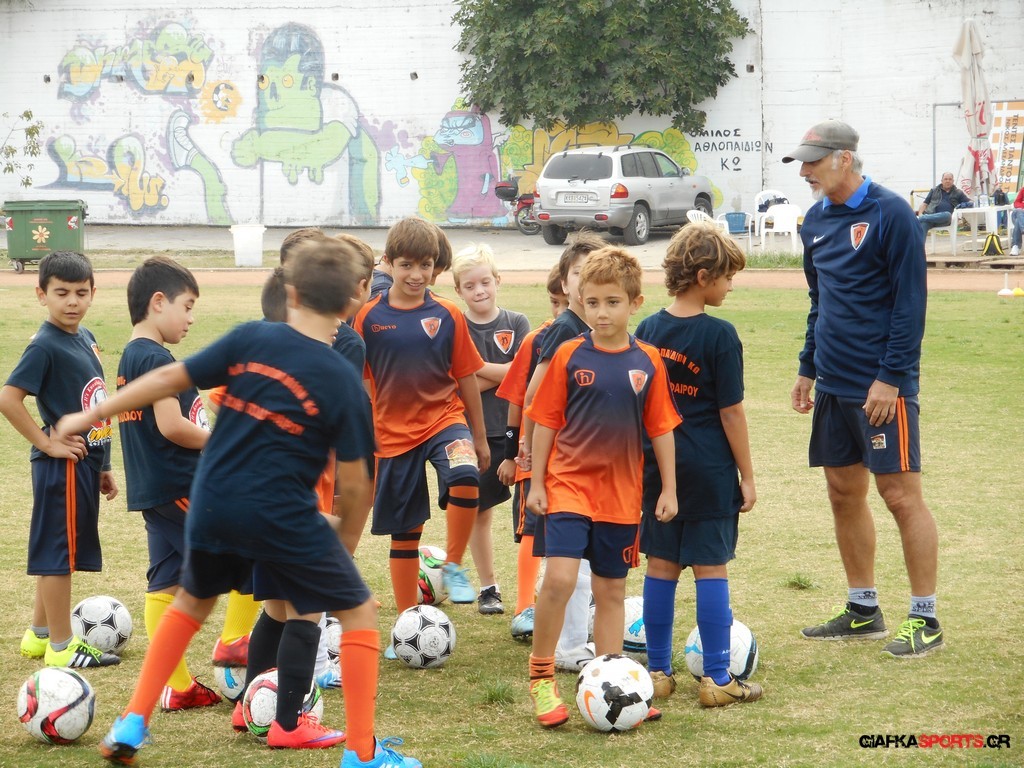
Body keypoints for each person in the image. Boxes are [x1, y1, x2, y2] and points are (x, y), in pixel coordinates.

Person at [58, 239, 420, 767]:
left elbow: (168, 377)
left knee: (191, 602)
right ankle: (362, 754)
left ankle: (133, 720)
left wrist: (94, 413)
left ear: (291, 294)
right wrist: (341, 546)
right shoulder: (342, 377)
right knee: (360, 611)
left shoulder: (252, 336)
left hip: (212, 500)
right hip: (280, 510)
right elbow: (358, 482)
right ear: (350, 303)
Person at [783, 119, 943, 658]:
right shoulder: (814, 220)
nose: (804, 172)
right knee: (842, 493)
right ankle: (863, 609)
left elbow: (910, 305)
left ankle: (925, 617)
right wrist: (808, 367)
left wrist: (890, 379)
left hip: (881, 388)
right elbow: (819, 301)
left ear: (844, 159)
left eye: (812, 162)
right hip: (832, 384)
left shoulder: (891, 213)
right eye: (802, 163)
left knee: (899, 496)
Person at [524, 245, 679, 728]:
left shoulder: (648, 361)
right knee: (561, 579)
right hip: (568, 486)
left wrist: (668, 489)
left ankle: (615, 685)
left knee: (611, 591)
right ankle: (542, 678)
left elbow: (661, 429)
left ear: (635, 304)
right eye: (592, 302)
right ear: (580, 301)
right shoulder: (569, 354)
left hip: (622, 496)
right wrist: (536, 482)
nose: (601, 312)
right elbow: (546, 421)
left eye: (612, 302)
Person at [634, 223, 762, 708]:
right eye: (728, 277)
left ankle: (658, 673)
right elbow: (731, 413)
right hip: (709, 471)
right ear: (704, 276)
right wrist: (748, 476)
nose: (731, 286)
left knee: (661, 565)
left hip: (657, 469)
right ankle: (717, 679)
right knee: (711, 568)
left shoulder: (648, 330)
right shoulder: (720, 335)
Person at [353, 217, 489, 641]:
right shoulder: (368, 316)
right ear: (388, 263)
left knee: (466, 474)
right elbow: (360, 380)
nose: (416, 275)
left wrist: (479, 436)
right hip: (392, 435)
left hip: (444, 419)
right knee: (404, 533)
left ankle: (453, 566)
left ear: (435, 266)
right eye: (407, 265)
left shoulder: (448, 313)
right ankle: (406, 624)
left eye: (425, 265)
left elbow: (466, 375)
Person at [0, 250, 121, 669]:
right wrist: (47, 442)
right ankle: (61, 646)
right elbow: (8, 398)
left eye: (81, 293)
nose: (72, 301)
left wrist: (104, 464)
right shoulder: (46, 345)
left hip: (85, 463)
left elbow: (94, 400)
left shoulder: (85, 336)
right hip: (61, 466)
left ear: (92, 293)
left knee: (59, 549)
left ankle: (39, 635)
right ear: (42, 294)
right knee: (58, 555)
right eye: (62, 292)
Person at [116, 256, 223, 710]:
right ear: (158, 302)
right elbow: (172, 426)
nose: (191, 318)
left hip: (153, 490)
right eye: (187, 306)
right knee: (242, 557)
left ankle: (178, 687)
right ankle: (242, 648)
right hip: (179, 486)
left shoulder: (130, 355)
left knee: (164, 583)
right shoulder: (155, 357)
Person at [522, 232, 605, 671]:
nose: (587, 280)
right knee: (575, 565)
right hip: (564, 464)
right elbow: (535, 394)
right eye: (578, 273)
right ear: (564, 281)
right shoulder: (566, 330)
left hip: (589, 462)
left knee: (578, 562)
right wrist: (527, 448)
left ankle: (571, 636)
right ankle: (570, 648)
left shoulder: (596, 331)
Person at [452, 243, 530, 615]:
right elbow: (455, 383)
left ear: (498, 280)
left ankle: (531, 594)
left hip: (516, 432)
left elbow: (524, 376)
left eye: (485, 282)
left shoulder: (517, 323)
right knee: (477, 511)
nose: (479, 290)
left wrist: (475, 371)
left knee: (531, 516)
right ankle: (489, 588)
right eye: (470, 285)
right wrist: (504, 375)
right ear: (458, 290)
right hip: (472, 433)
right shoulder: (457, 326)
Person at [495, 265, 568, 640]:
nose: (560, 312)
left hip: (573, 459)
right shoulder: (537, 340)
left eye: (565, 303)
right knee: (531, 530)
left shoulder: (596, 340)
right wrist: (510, 454)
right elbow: (516, 399)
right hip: (532, 457)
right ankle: (524, 607)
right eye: (554, 302)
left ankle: (569, 605)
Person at [915, 171, 969, 237]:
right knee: (923, 225)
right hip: (930, 218)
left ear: (953, 181)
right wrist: (920, 214)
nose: (948, 181)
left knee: (947, 214)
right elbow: (924, 204)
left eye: (950, 179)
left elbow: (970, 202)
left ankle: (921, 218)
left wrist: (965, 205)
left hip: (944, 220)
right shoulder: (934, 190)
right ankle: (919, 244)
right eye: (945, 179)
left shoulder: (958, 192)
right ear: (942, 181)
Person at [1009, 185, 1024, 257]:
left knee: (1018, 221)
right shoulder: (1023, 190)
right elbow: (1016, 203)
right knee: (1019, 211)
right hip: (1019, 213)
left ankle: (1016, 246)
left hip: (1019, 218)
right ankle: (1023, 228)